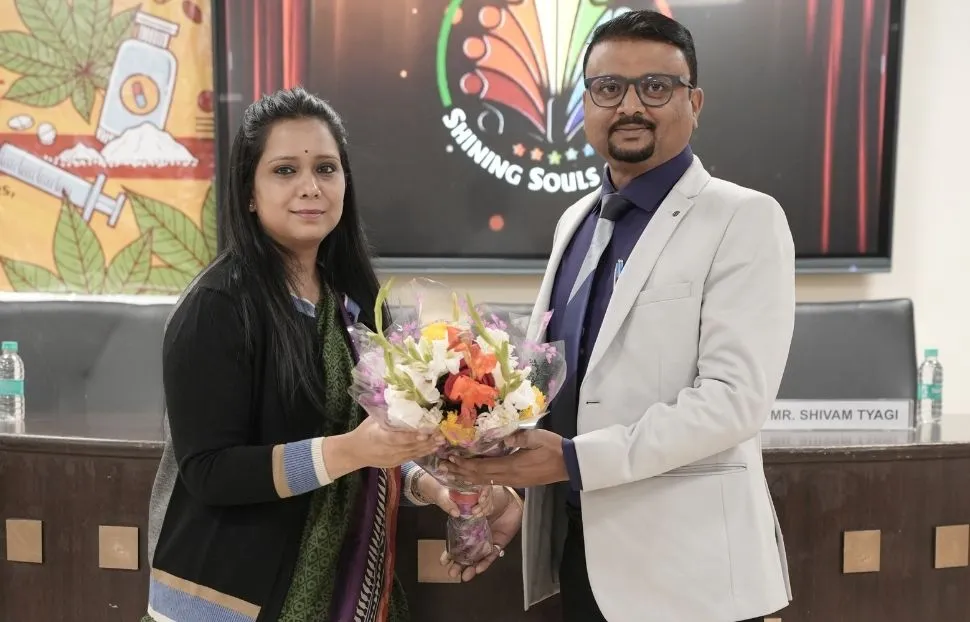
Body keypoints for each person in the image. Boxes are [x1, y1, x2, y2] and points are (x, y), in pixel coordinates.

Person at [442, 10, 795, 622]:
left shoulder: (744, 218)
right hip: (585, 560)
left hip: (693, 577)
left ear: (694, 102)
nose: (630, 105)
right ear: (586, 104)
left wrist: (574, 460)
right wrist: (492, 458)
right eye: (609, 87)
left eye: (655, 86)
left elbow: (734, 401)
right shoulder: (576, 220)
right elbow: (562, 387)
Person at [142, 87, 519, 622]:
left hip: (343, 589)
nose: (310, 187)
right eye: (284, 171)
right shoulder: (218, 306)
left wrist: (435, 486)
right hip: (227, 602)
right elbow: (210, 472)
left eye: (325, 168)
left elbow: (370, 442)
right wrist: (354, 450)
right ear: (249, 193)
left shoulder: (354, 301)